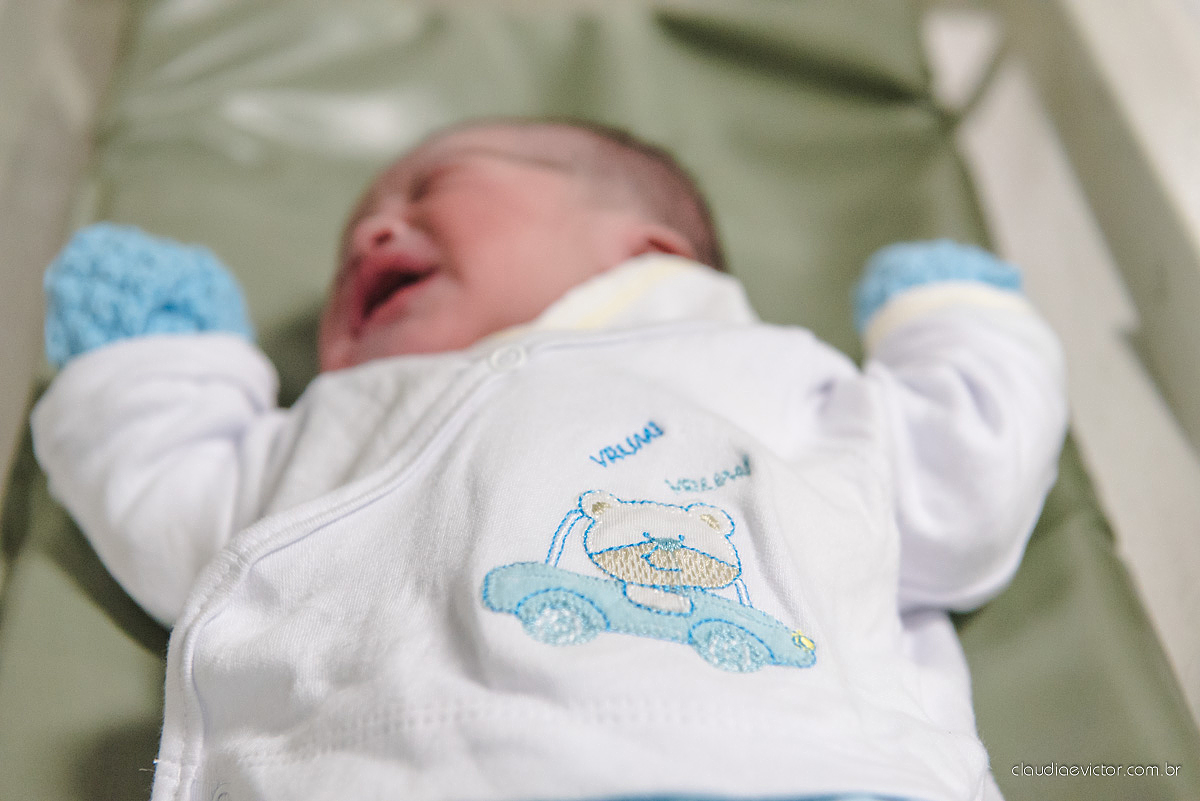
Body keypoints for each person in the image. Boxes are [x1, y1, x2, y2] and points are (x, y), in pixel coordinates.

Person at [31, 118, 1067, 801]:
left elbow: (969, 472)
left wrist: (952, 316)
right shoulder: (330, 426)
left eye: (432, 186)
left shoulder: (775, 379)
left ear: (648, 251)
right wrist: (154, 350)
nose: (370, 234)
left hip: (783, 763)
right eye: (357, 239)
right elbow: (171, 502)